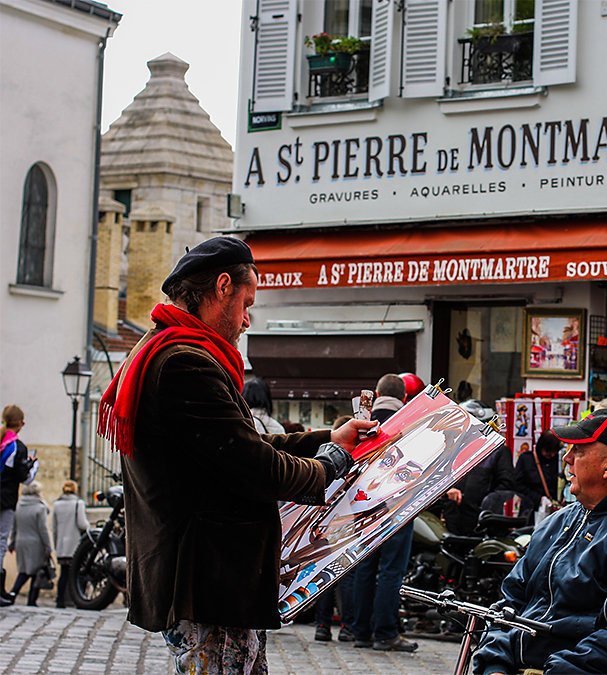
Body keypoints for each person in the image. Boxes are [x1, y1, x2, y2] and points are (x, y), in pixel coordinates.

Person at [96, 236, 375, 673]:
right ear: (222, 286)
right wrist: (329, 466)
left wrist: (330, 439)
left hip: (212, 582)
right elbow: (254, 464)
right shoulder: (184, 364)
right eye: (247, 303)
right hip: (207, 583)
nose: (247, 320)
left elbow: (243, 445)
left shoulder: (177, 352)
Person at [472, 409, 607, 675]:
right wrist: (495, 663)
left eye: (578, 450)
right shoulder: (558, 521)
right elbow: (510, 599)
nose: (566, 458)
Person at [352, 373, 419, 652]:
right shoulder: (410, 424)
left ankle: (360, 632)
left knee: (364, 566)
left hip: (363, 504)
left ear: (377, 395)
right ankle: (386, 632)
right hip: (397, 504)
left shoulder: (359, 423)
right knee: (391, 570)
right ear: (404, 398)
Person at [442, 400, 515, 535]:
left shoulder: (498, 451)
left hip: (480, 522)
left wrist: (487, 506)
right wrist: (446, 491)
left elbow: (506, 486)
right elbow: (437, 477)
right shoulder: (453, 448)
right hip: (451, 518)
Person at [314, 415, 355, 642]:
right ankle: (347, 627)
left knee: (325, 574)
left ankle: (322, 625)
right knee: (346, 576)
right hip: (347, 522)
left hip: (325, 521)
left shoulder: (324, 455)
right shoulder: (357, 455)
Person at [0, 404, 35, 602]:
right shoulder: (16, 446)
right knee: (1, 541)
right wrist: (31, 466)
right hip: (5, 499)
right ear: (20, 423)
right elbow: (25, 478)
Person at [2, 481, 52, 607]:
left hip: (21, 542)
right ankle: (31, 599)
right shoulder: (40, 508)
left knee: (24, 571)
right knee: (36, 571)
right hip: (36, 543)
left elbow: (14, 527)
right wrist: (48, 547)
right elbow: (43, 529)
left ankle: (13, 593)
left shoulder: (19, 505)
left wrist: (12, 543)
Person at [52, 480, 89, 609]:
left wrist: (57, 546)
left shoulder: (57, 505)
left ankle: (60, 600)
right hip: (75, 545)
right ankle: (78, 599)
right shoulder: (78, 503)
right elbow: (82, 524)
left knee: (64, 574)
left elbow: (54, 528)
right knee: (79, 574)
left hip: (62, 546)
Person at [513, 429, 561, 517]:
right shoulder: (527, 459)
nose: (552, 455)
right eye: (548, 451)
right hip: (530, 510)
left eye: (554, 451)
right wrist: (539, 499)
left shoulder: (558, 460)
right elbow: (517, 484)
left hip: (553, 511)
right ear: (541, 447)